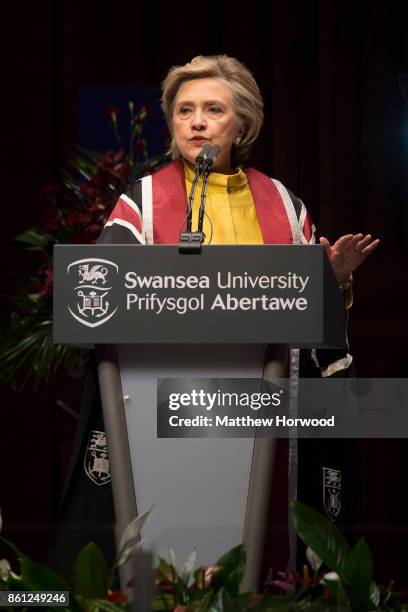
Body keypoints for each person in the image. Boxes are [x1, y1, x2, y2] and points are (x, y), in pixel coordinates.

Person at [51, 55, 379, 577]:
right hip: (163, 407)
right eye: (184, 111)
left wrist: (331, 279)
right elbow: (102, 293)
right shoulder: (143, 205)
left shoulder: (284, 206)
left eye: (212, 109)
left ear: (242, 124)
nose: (196, 121)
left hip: (257, 412)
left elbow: (307, 325)